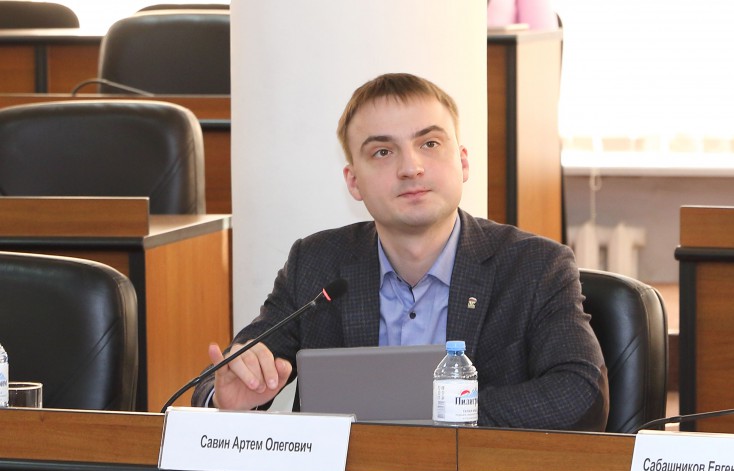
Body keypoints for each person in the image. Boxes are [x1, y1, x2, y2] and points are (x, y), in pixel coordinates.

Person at [192, 72, 609, 431]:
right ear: (353, 182)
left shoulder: (535, 266)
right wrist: (225, 399)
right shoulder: (317, 264)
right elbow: (224, 377)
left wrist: (437, 413)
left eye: (430, 144)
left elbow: (582, 392)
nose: (411, 168)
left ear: (463, 162)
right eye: (383, 152)